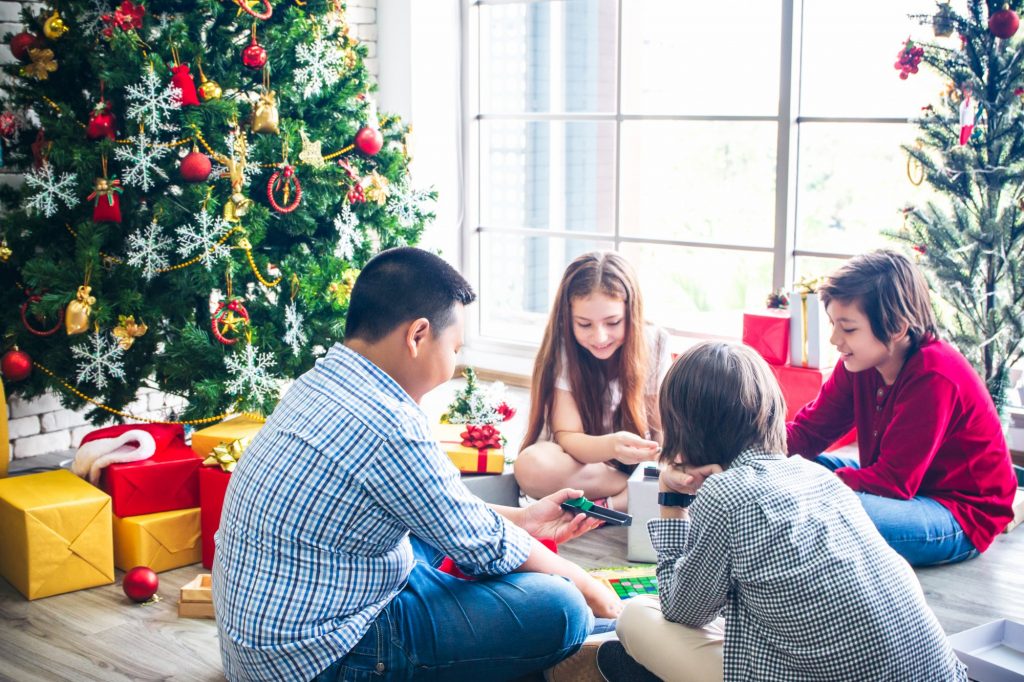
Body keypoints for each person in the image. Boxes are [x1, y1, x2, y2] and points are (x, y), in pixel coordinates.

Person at [212, 247, 621, 682]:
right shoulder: (388, 422)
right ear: (418, 335)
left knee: (463, 547)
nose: (454, 363)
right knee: (563, 608)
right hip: (322, 658)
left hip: (261, 647)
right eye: (455, 349)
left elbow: (438, 507)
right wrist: (586, 583)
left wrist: (522, 519)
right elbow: (482, 542)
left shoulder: (320, 379)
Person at [611, 341, 968, 681]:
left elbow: (681, 609)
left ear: (684, 425)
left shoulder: (726, 493)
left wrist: (671, 495)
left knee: (636, 616)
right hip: (942, 672)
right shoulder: (817, 474)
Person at [787, 249, 1015, 566]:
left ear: (896, 327)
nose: (835, 339)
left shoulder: (933, 375)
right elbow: (808, 433)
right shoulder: (858, 363)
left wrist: (805, 489)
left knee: (824, 505)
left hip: (956, 513)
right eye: (833, 324)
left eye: (848, 328)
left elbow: (893, 481)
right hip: (895, 488)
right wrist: (741, 456)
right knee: (793, 469)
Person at [514, 251, 671, 510]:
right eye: (584, 324)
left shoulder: (653, 342)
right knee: (530, 465)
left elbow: (660, 429)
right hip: (580, 462)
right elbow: (569, 437)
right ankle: (630, 496)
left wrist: (659, 461)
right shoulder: (564, 347)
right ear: (568, 318)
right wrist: (611, 446)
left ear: (631, 313)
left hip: (633, 463)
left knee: (683, 466)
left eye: (613, 322)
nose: (599, 337)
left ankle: (606, 506)